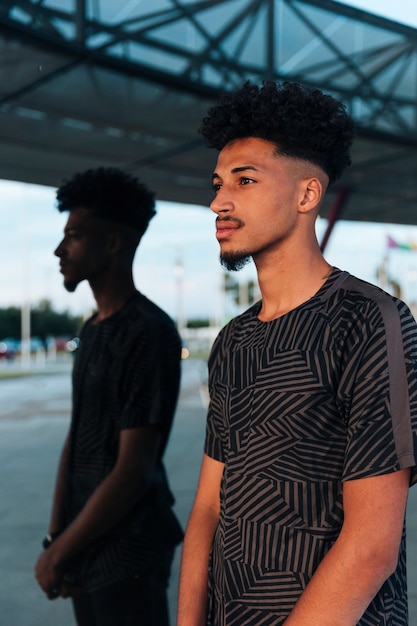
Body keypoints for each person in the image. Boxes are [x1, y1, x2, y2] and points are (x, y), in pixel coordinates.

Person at [177, 81, 417, 626]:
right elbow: (208, 510)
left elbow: (371, 547)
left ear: (307, 195)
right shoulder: (233, 341)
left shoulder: (370, 321)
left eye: (245, 180)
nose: (219, 200)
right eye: (218, 183)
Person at [34, 167, 183, 626]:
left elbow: (134, 469)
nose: (61, 250)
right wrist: (58, 537)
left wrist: (63, 548)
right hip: (85, 542)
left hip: (128, 549)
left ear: (114, 243)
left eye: (74, 236)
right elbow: (78, 436)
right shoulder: (93, 330)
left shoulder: (149, 333)